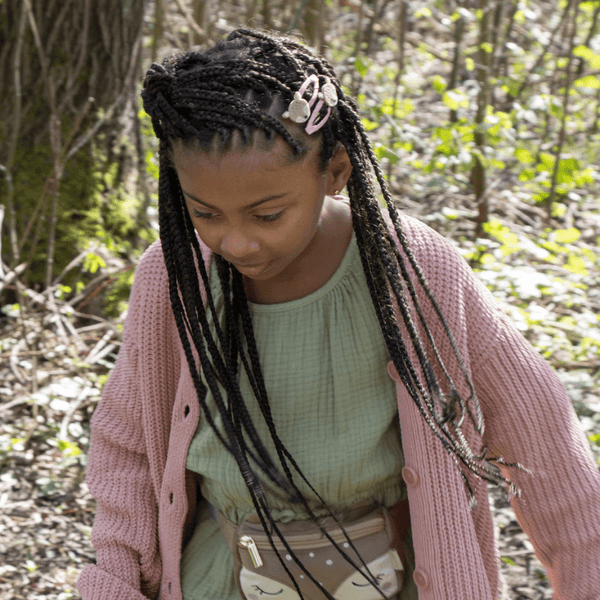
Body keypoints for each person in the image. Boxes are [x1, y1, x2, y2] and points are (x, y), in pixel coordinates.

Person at [77, 28, 600, 600]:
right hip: (221, 580)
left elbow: (544, 441)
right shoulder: (175, 278)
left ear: (335, 172)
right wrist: (115, 581)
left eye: (267, 215)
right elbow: (128, 446)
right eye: (205, 213)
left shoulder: (414, 269)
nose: (237, 242)